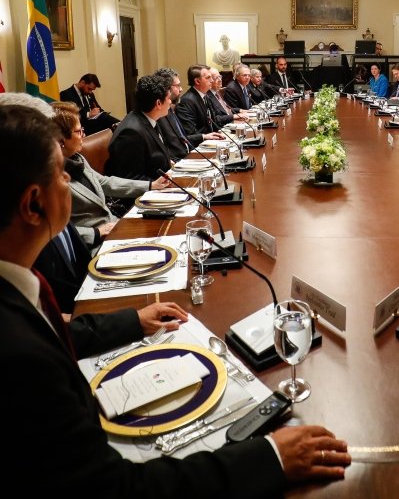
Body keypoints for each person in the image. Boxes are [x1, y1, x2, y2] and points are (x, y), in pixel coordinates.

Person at [0, 104, 351, 496]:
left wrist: (134, 320)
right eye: (62, 174)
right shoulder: (20, 359)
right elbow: (114, 487)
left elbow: (58, 329)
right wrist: (269, 457)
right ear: (33, 204)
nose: (70, 177)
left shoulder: (16, 288)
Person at [51, 101, 170, 249]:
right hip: (94, 245)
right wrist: (95, 233)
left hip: (114, 226)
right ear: (61, 139)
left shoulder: (77, 159)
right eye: (78, 131)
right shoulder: (50, 178)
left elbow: (104, 183)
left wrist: (151, 185)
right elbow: (55, 233)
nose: (84, 134)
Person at [106, 74, 173, 181]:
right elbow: (130, 178)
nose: (170, 102)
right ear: (158, 103)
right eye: (169, 98)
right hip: (145, 194)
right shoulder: (131, 133)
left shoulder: (149, 118)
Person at [155, 67, 223, 160]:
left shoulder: (169, 110)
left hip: (190, 155)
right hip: (182, 161)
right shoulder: (160, 114)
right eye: (178, 85)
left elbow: (182, 139)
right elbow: (173, 147)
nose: (181, 89)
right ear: (166, 89)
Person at [175, 65, 217, 136]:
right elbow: (190, 132)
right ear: (197, 81)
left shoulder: (205, 95)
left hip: (212, 140)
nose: (212, 80)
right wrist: (207, 137)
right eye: (208, 78)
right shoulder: (187, 101)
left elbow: (213, 121)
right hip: (199, 144)